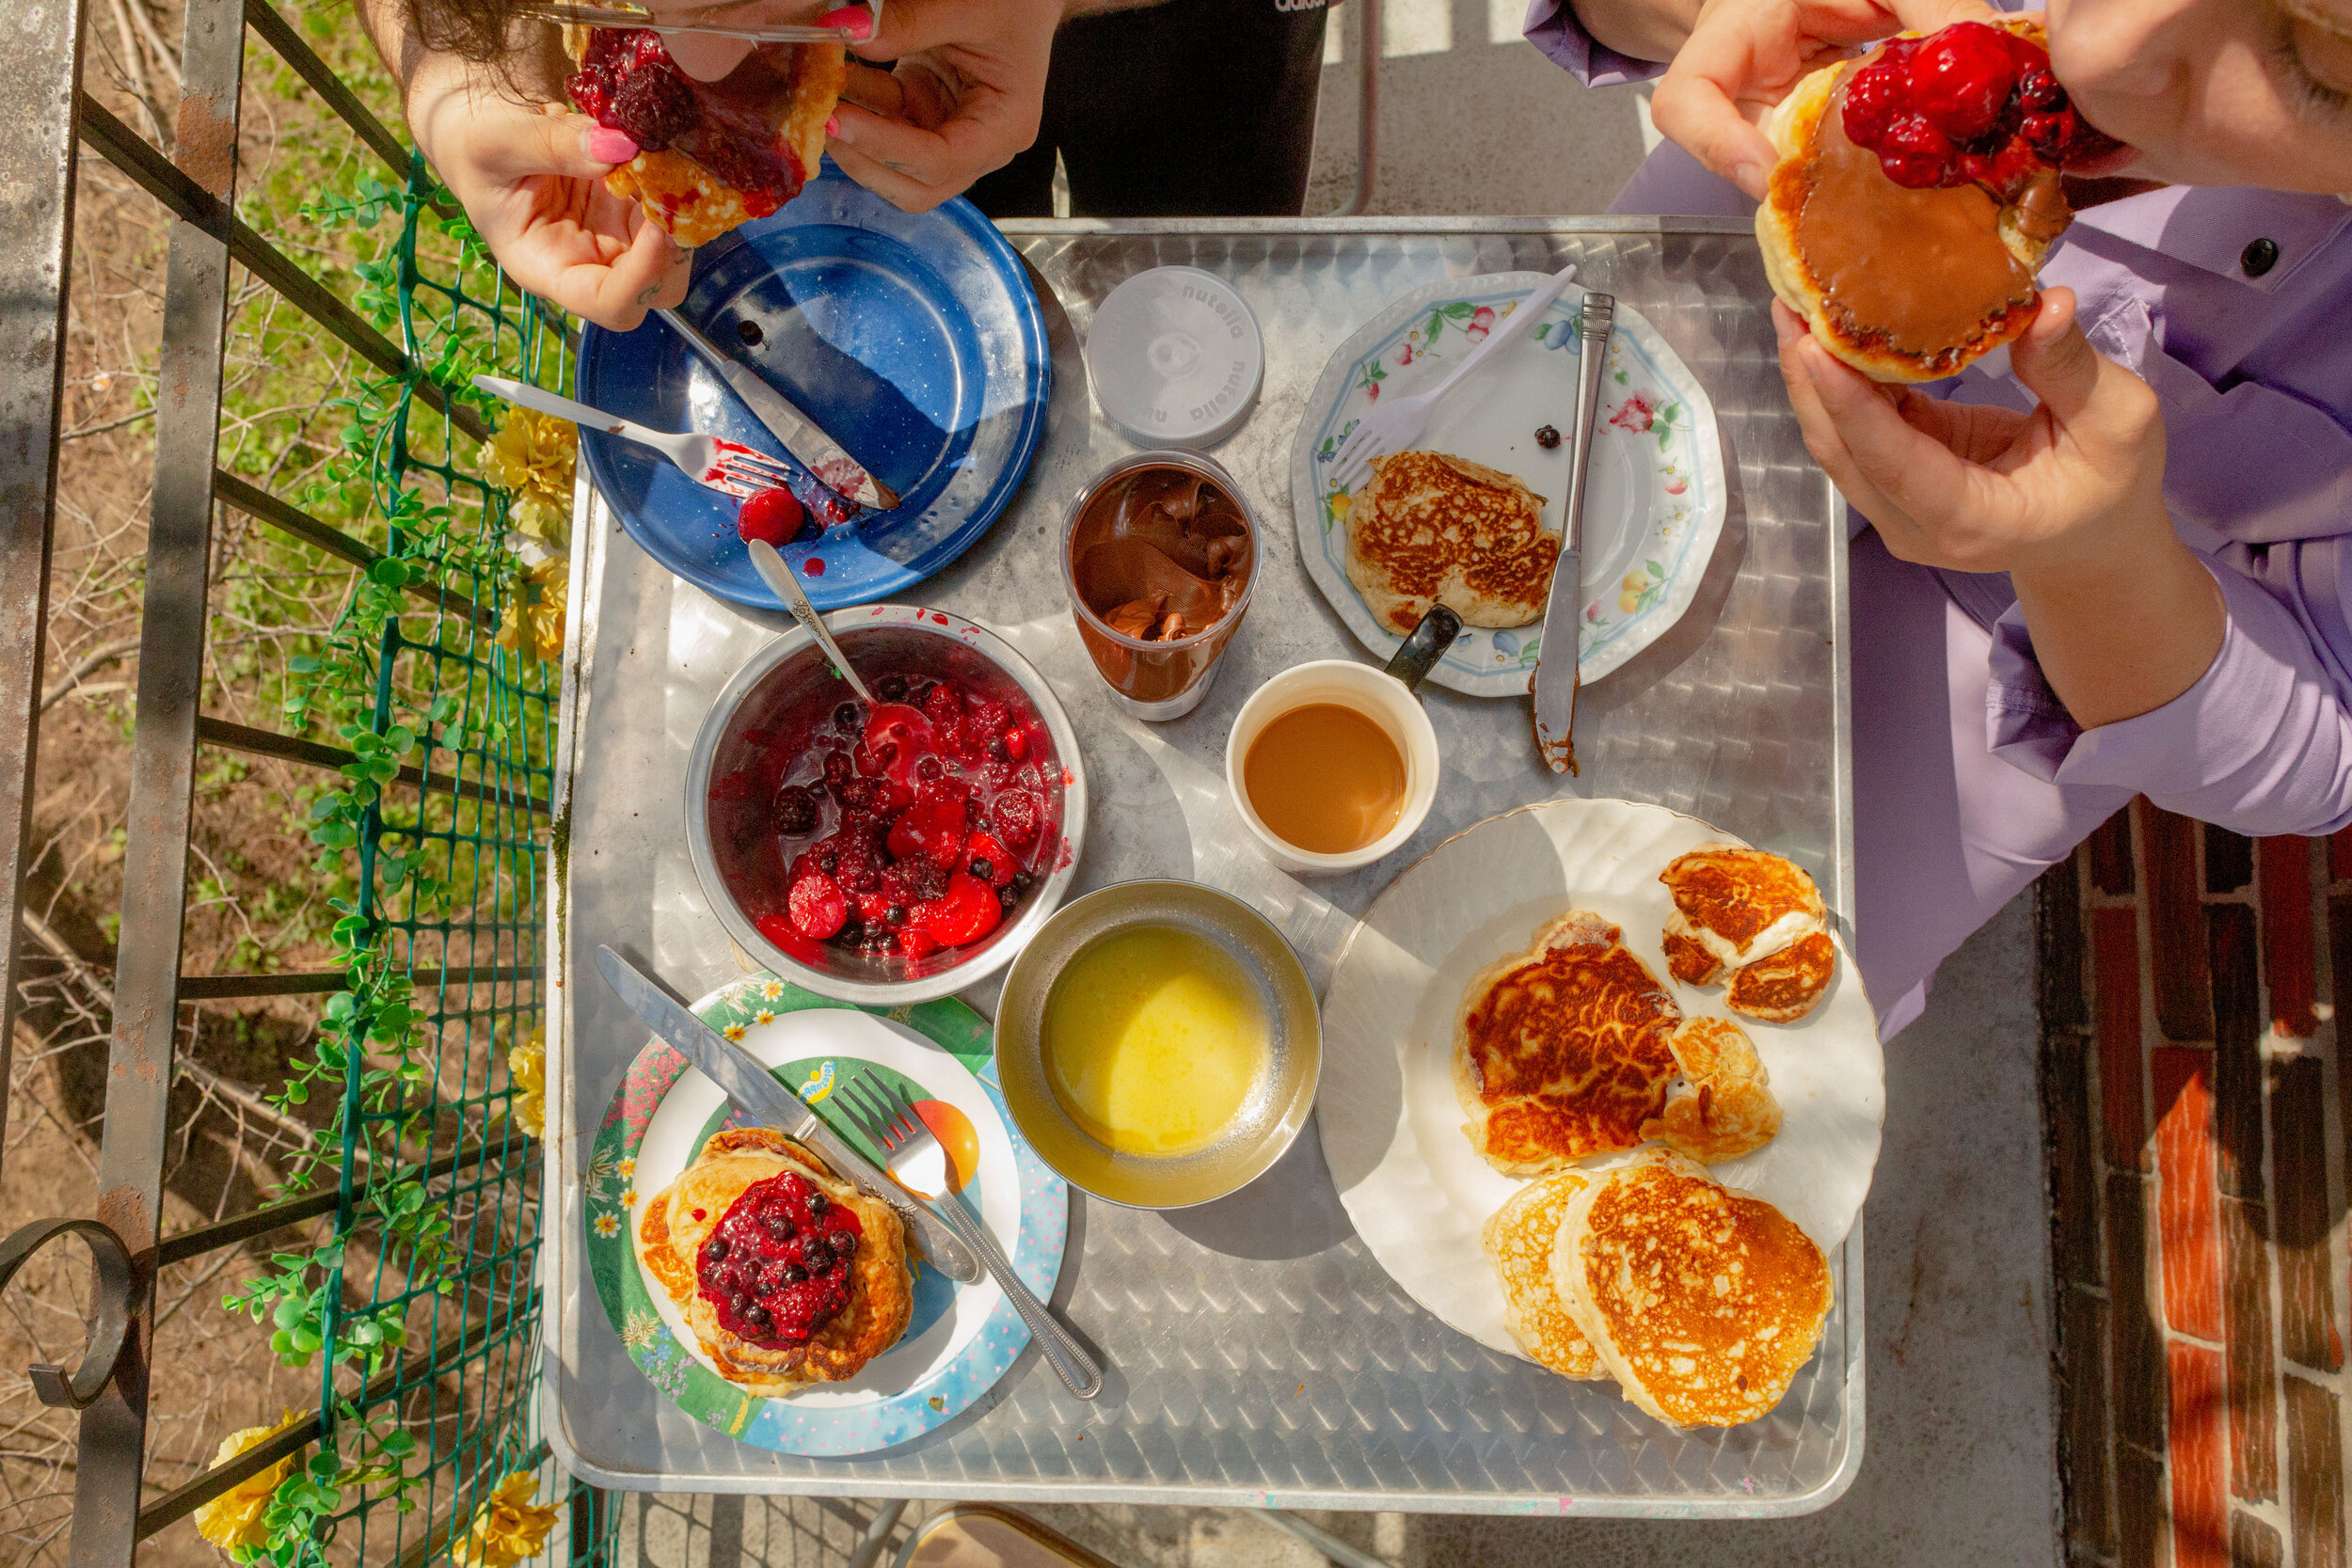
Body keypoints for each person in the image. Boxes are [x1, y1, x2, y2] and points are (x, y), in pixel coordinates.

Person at [1525, 0, 2352, 1037]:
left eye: (2316, 61)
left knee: (1664, 1013)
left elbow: (2316, 747)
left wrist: (2095, 559)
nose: (2094, 47)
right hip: (1725, 272)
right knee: (1427, 593)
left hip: (2023, 639)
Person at [362, 0, 1328, 331]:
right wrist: (451, 67)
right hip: (879, 54)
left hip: (1199, 27)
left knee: (1196, 284)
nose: (699, 69)